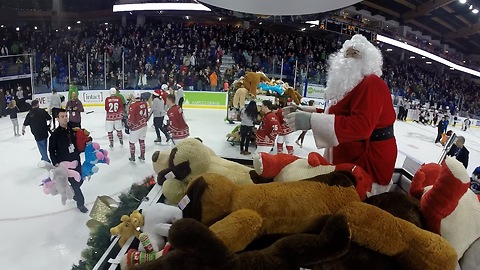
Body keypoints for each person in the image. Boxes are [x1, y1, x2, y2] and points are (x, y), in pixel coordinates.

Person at [284, 34, 397, 195]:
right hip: (355, 153)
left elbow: (362, 126)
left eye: (355, 54)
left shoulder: (372, 84)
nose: (349, 58)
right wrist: (306, 111)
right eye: (347, 54)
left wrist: (311, 121)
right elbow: (342, 114)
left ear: (367, 60)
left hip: (370, 157)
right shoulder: (356, 84)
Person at [49, 108, 88, 213]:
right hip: (64, 164)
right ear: (57, 119)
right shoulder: (55, 135)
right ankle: (81, 204)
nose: (65, 118)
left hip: (76, 159)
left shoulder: (73, 128)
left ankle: (72, 190)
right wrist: (56, 163)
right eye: (62, 116)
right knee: (76, 185)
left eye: (66, 116)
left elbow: (82, 136)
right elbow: (51, 150)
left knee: (79, 180)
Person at [127, 91, 148, 162]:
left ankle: (132, 157)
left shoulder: (133, 105)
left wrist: (129, 125)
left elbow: (131, 118)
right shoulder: (144, 103)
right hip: (144, 125)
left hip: (136, 127)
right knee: (142, 141)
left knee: (131, 142)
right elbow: (147, 115)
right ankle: (142, 155)